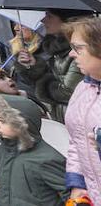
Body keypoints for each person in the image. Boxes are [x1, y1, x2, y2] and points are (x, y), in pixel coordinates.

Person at [0, 92, 68, 206]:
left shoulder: (47, 159)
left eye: (2, 120)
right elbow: (5, 188)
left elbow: (71, 193)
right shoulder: (4, 150)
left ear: (21, 123)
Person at [15, 9, 82, 121]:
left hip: (78, 120)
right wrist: (34, 65)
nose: (43, 20)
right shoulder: (56, 50)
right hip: (62, 117)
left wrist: (41, 77)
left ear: (66, 20)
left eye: (49, 16)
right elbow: (56, 78)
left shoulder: (78, 51)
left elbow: (68, 93)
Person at [64, 17, 101, 203]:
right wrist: (78, 184)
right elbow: (76, 139)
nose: (71, 54)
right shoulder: (83, 88)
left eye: (78, 48)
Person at [8, 25, 42, 96]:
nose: (16, 28)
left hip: (35, 96)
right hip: (17, 94)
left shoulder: (43, 49)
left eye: (22, 26)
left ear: (34, 29)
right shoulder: (15, 48)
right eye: (15, 24)